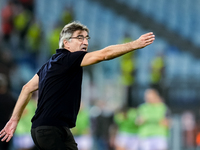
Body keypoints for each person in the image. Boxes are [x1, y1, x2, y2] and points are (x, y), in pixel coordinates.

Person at [0, 21, 155, 150]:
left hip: (49, 129)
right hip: (51, 129)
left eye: (87, 38)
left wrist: (14, 119)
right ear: (66, 43)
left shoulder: (49, 64)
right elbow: (104, 54)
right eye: (80, 38)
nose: (85, 42)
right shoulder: (69, 59)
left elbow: (26, 88)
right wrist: (134, 44)